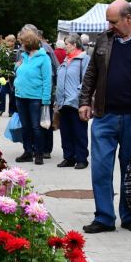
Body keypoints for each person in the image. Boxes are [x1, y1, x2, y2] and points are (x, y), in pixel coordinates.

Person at [78, 0, 131, 234]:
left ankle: (130, 216)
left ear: (129, 19)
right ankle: (104, 217)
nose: (109, 25)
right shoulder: (105, 41)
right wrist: (85, 101)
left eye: (113, 21)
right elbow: (91, 74)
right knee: (101, 168)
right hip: (104, 116)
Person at [14, 28, 52, 165]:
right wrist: (16, 67)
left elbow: (47, 80)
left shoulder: (44, 58)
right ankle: (28, 152)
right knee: (25, 126)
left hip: (35, 98)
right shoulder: (24, 57)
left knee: (36, 127)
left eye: (22, 42)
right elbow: (20, 72)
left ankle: (39, 153)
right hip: (20, 96)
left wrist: (46, 100)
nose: (21, 45)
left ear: (29, 43)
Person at [55, 33, 90, 169]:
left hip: (76, 102)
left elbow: (87, 79)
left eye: (67, 44)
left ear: (75, 45)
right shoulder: (66, 60)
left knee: (79, 131)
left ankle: (81, 158)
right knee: (66, 131)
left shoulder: (83, 59)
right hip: (63, 102)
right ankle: (68, 157)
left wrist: (77, 93)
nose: (65, 47)